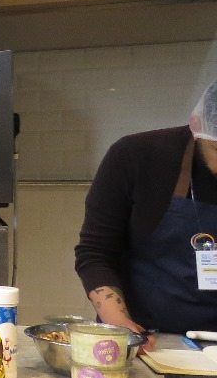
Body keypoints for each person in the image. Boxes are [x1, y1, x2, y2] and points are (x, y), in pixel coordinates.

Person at [75, 80, 217, 335]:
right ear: (200, 129)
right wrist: (121, 328)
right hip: (149, 338)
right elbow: (95, 254)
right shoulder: (136, 156)